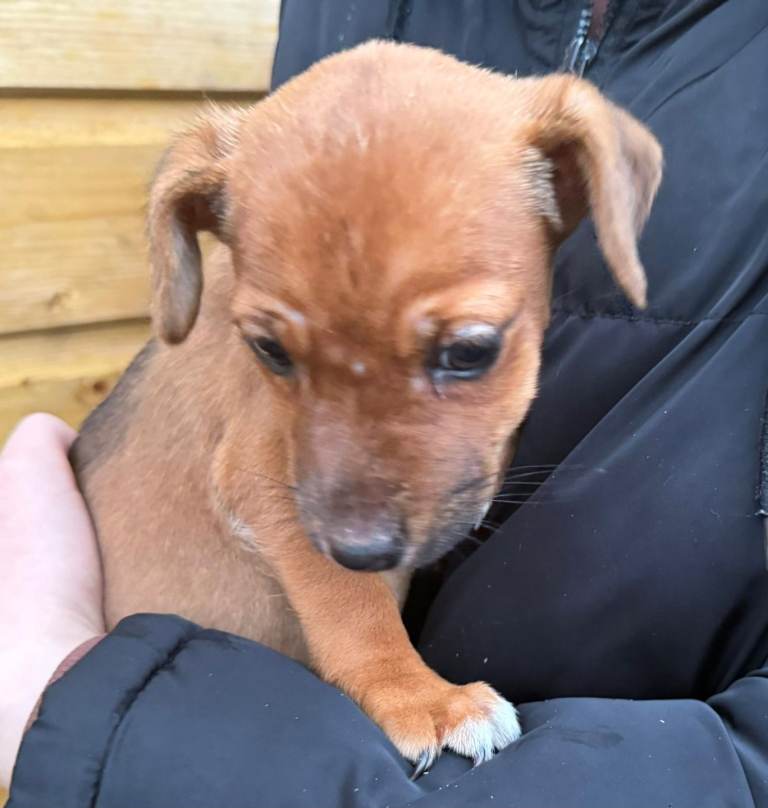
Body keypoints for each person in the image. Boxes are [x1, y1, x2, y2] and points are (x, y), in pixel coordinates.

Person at [3, 1, 768, 805]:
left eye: (462, 351)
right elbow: (255, 475)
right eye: (275, 349)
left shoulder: (545, 147)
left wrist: (44, 684)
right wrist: (383, 673)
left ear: (588, 181)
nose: (357, 529)